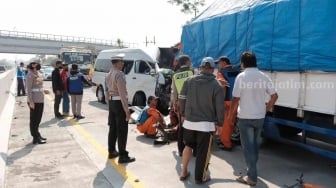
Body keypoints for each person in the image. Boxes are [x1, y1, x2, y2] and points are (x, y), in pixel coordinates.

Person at [230, 52, 278, 186]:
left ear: (243, 63)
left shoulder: (241, 76)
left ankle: (251, 177)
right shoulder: (263, 76)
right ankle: (252, 170)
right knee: (255, 146)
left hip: (245, 117)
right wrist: (266, 109)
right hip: (259, 117)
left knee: (247, 148)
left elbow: (235, 98)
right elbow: (274, 96)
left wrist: (230, 116)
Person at [178, 57, 224, 184]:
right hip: (206, 125)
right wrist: (220, 123)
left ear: (201, 68)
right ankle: (200, 177)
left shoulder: (189, 81)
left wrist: (182, 113)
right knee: (203, 152)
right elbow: (220, 107)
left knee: (188, 145)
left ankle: (184, 171)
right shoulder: (217, 85)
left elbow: (181, 98)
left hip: (189, 121)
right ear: (212, 70)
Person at [105, 54, 135, 163]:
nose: (123, 64)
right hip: (119, 103)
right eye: (122, 62)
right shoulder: (119, 74)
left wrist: (109, 103)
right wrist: (127, 110)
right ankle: (123, 155)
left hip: (112, 102)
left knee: (112, 129)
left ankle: (112, 151)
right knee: (122, 130)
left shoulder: (108, 74)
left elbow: (106, 91)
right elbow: (122, 94)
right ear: (118, 62)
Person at [170, 54, 194, 156]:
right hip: (192, 102)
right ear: (187, 62)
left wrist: (174, 105)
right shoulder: (192, 72)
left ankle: (181, 150)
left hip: (180, 103)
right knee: (193, 125)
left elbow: (173, 92)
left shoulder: (175, 74)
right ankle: (193, 149)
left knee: (181, 126)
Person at [215, 56, 240, 151]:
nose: (218, 65)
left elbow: (223, 87)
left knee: (226, 123)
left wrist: (221, 102)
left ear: (224, 63)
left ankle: (226, 144)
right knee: (232, 122)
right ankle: (228, 139)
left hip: (227, 101)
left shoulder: (221, 73)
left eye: (219, 63)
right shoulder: (238, 71)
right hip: (237, 100)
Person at [26, 59, 49, 144]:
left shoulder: (39, 73)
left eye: (36, 64)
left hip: (40, 99)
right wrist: (31, 101)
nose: (35, 65)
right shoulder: (30, 75)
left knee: (38, 119)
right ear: (31, 65)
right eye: (33, 64)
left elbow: (40, 85)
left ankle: (37, 135)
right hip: (34, 101)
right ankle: (35, 137)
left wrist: (44, 90)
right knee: (34, 120)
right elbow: (28, 89)